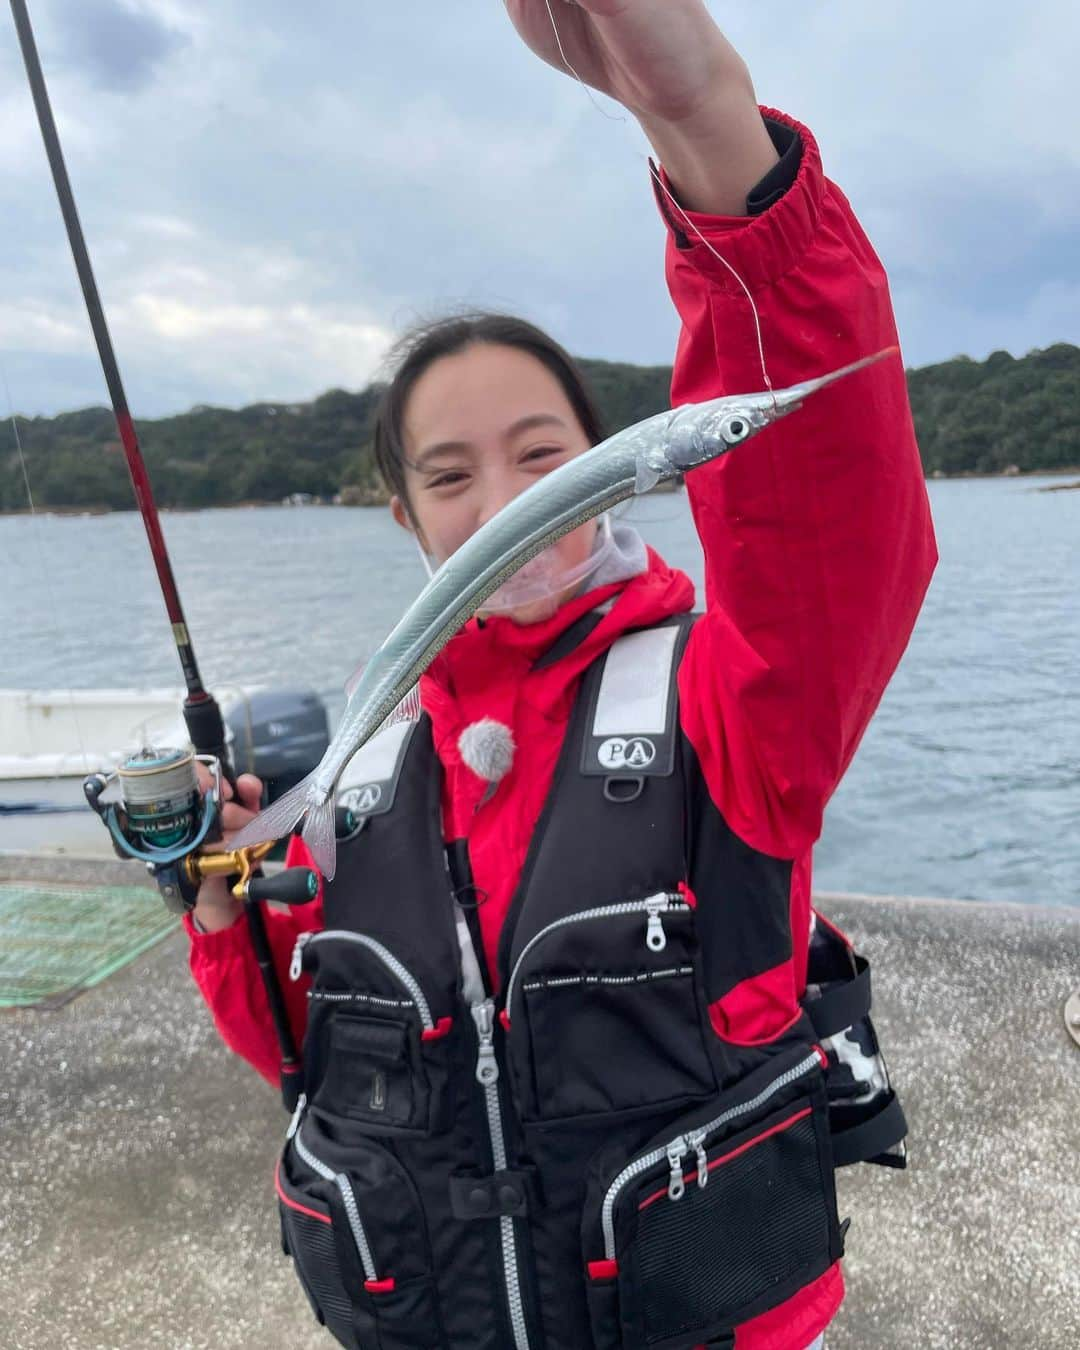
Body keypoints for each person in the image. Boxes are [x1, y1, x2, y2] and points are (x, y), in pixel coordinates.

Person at [186, 3, 937, 1348]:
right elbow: (313, 1053)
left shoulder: (732, 699)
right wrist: (217, 901)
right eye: (450, 474)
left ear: (629, 466)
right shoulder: (365, 760)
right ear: (402, 516)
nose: (506, 501)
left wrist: (710, 132)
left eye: (546, 456)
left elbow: (828, 504)